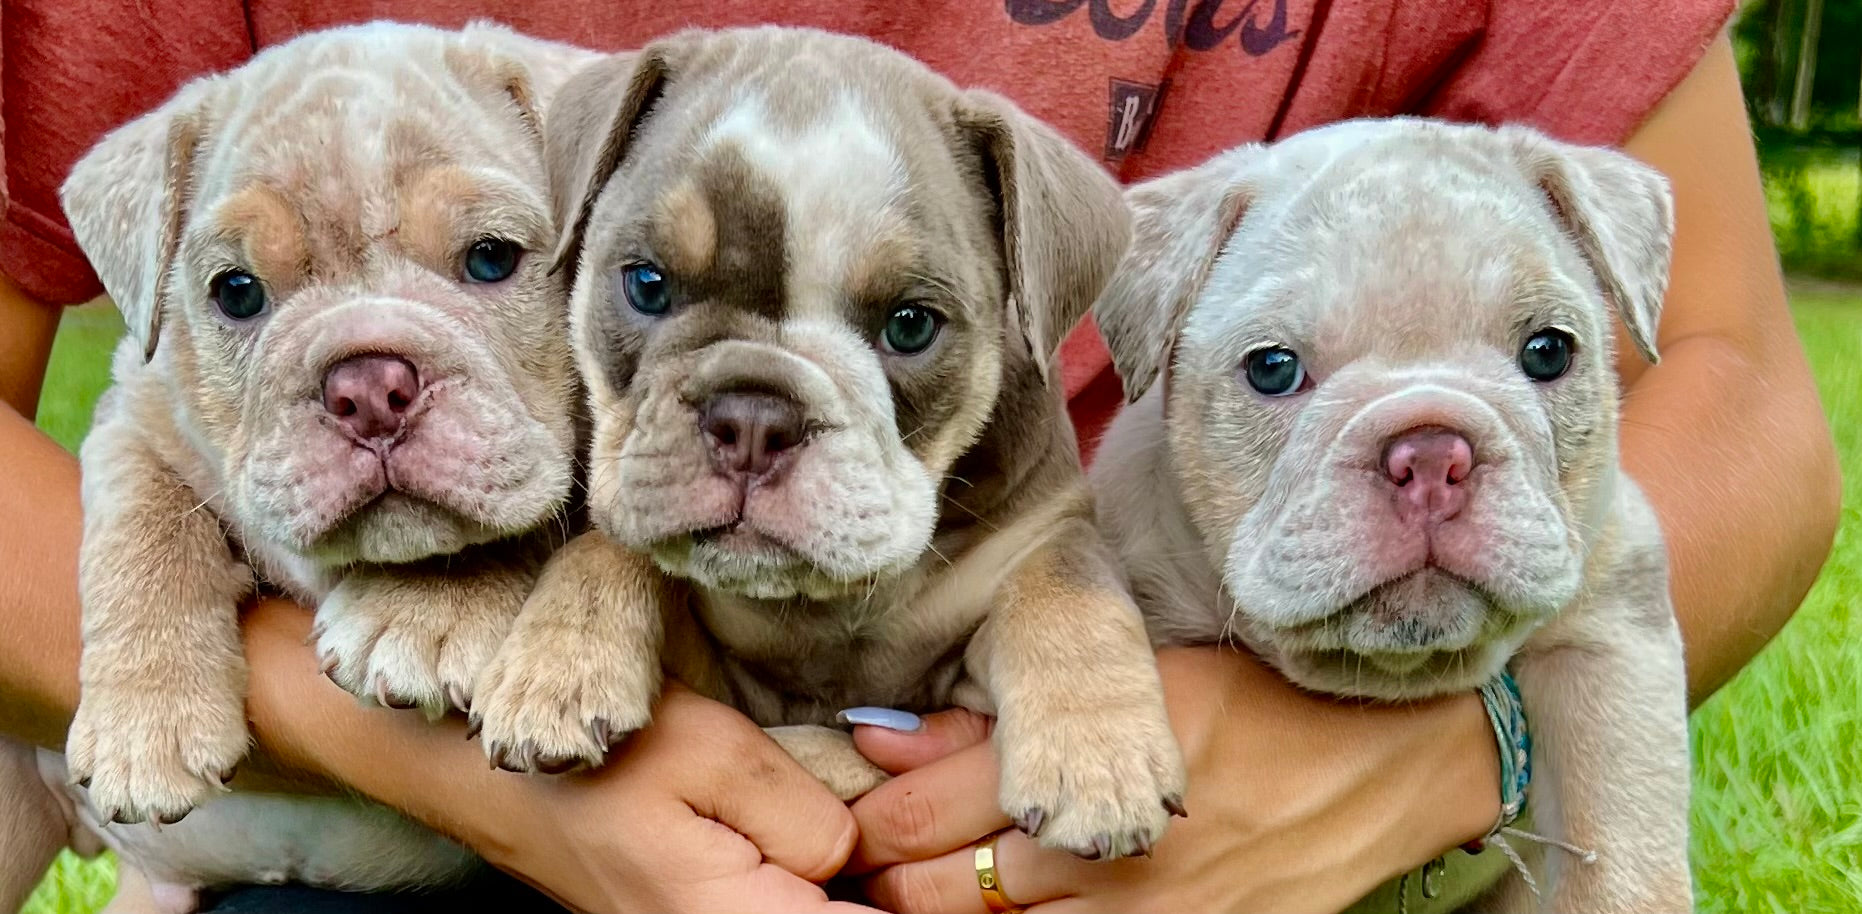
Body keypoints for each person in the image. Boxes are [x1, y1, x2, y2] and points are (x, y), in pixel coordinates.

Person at [0, 1, 1838, 912]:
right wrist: (459, 768)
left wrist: (1433, 742)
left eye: (904, 329)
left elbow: (1737, 384)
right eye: (633, 286)